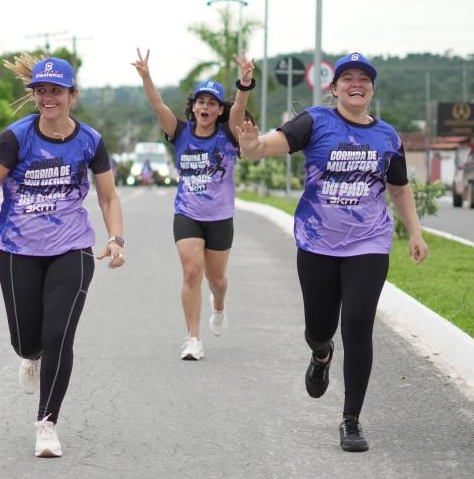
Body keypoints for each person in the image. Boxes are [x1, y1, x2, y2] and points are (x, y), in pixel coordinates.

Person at [236, 52, 428, 452]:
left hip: (369, 243)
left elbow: (399, 186)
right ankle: (321, 355)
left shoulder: (388, 136)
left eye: (364, 78)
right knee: (319, 329)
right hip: (318, 242)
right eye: (347, 78)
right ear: (334, 87)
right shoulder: (315, 121)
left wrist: (415, 232)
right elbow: (267, 145)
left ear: (371, 88)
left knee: (357, 325)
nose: (355, 84)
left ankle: (351, 420)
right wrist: (252, 144)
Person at [0, 55, 125, 458]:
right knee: (26, 339)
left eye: (56, 91)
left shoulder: (89, 140)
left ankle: (47, 422)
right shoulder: (15, 138)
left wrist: (116, 238)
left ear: (72, 95)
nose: (47, 98)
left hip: (72, 248)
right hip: (18, 249)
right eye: (41, 91)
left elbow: (108, 195)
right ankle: (30, 356)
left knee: (60, 335)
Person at [132, 49, 253, 360]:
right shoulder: (180, 132)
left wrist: (245, 82)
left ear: (218, 110)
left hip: (220, 216)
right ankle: (193, 339)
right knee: (190, 273)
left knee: (217, 280)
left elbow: (240, 106)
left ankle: (220, 303)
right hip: (187, 213)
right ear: (194, 106)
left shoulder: (228, 134)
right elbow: (157, 105)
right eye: (201, 101)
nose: (205, 107)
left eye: (212, 103)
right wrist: (146, 75)